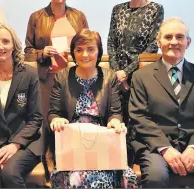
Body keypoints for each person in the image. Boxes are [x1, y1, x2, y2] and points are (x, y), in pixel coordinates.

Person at [129, 17, 194, 188]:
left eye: (180, 37)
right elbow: (139, 117)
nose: (174, 42)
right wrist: (165, 149)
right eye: (168, 37)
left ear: (188, 42)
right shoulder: (141, 77)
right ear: (158, 41)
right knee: (155, 178)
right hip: (156, 146)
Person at [48, 29, 137, 188]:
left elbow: (115, 112)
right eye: (79, 50)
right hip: (72, 145)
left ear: (99, 52)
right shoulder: (62, 77)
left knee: (121, 177)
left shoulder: (109, 77)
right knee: (77, 179)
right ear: (73, 53)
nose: (84, 55)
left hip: (102, 144)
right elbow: (53, 112)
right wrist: (56, 119)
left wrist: (115, 122)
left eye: (90, 49)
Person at [25, 0, 88, 151]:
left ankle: (72, 159)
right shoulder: (36, 17)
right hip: (47, 79)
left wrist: (76, 51)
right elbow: (28, 51)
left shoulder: (78, 16)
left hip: (74, 78)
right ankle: (49, 161)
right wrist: (42, 52)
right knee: (49, 122)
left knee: (73, 120)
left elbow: (90, 46)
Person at [0, 23, 43, 188]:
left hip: (24, 143)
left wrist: (15, 145)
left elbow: (35, 118)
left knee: (10, 174)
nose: (0, 46)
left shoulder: (29, 74)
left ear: (14, 46)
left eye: (5, 41)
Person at [107, 0, 164, 125]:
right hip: (117, 78)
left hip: (141, 75)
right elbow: (111, 43)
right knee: (117, 121)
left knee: (140, 121)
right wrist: (117, 72)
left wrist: (127, 72)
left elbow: (152, 46)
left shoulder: (155, 9)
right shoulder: (117, 9)